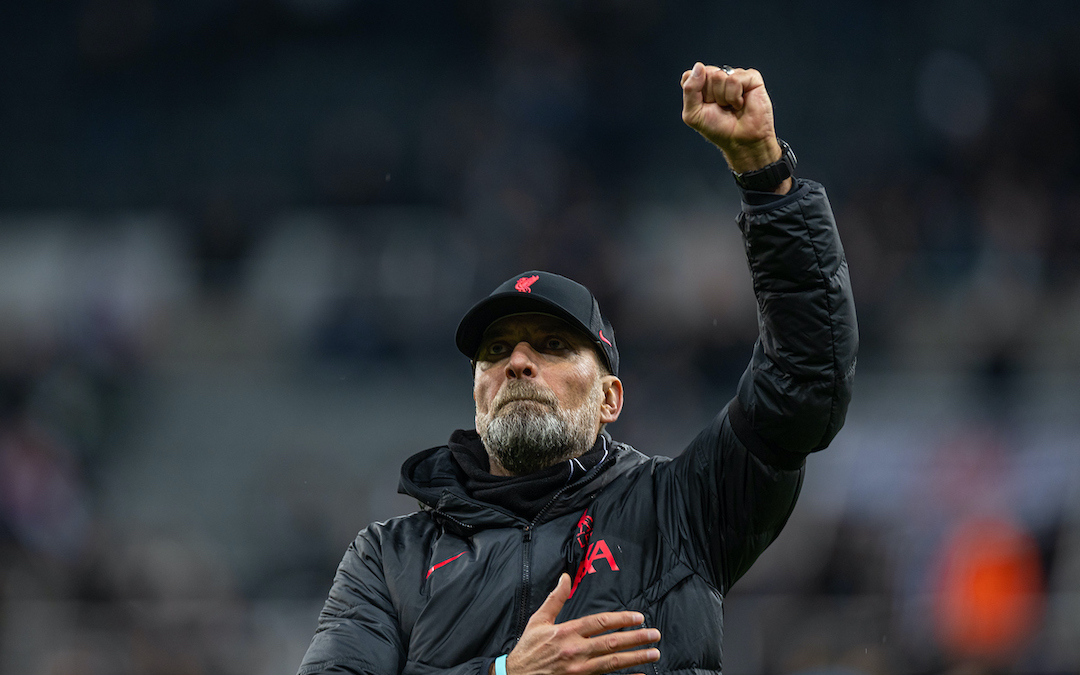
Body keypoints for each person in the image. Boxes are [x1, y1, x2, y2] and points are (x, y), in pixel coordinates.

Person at [297, 62, 858, 675]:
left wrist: (766, 175)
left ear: (611, 398)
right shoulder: (388, 556)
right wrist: (507, 674)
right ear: (477, 391)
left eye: (552, 347)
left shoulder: (682, 508)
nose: (517, 362)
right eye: (496, 350)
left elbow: (804, 380)